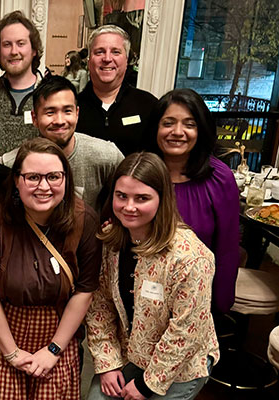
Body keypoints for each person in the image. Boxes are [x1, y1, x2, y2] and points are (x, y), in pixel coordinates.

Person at [0, 138, 101, 399]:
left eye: (53, 176)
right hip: (2, 336)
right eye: (33, 177)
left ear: (66, 178)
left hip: (58, 336)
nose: (44, 186)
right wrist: (12, 352)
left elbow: (85, 290)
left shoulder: (83, 220)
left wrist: (53, 350)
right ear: (17, 181)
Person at [86, 152, 219, 400]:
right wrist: (108, 363)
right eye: (121, 196)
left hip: (179, 366)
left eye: (142, 198)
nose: (129, 207)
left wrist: (147, 386)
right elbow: (99, 305)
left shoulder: (191, 257)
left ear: (162, 200)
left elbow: (186, 331)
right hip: (128, 355)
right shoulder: (110, 238)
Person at [145, 88, 240, 314]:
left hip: (196, 299)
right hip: (143, 295)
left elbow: (227, 249)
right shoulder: (141, 173)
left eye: (189, 124)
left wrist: (218, 305)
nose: (177, 132)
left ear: (202, 129)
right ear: (156, 128)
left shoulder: (220, 178)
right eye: (168, 123)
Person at [0, 75, 123, 213]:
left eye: (67, 111)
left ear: (77, 114)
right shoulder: (10, 164)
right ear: (35, 118)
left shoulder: (106, 157)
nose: (59, 120)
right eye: (50, 112)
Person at [76, 25, 156, 155]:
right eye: (99, 52)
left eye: (116, 52)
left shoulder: (148, 105)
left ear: (126, 60)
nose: (107, 58)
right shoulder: (73, 107)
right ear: (89, 61)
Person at [0, 10, 45, 154]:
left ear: (34, 50)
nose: (14, 51)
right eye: (7, 44)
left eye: (21, 43)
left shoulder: (51, 94)